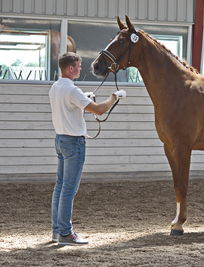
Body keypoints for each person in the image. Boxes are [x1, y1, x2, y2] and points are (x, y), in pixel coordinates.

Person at [49, 52, 126, 246]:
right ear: (70, 68)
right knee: (69, 189)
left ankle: (57, 231)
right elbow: (99, 109)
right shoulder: (72, 91)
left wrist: (85, 99)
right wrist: (114, 97)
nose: (80, 69)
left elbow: (71, 106)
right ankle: (66, 234)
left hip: (60, 139)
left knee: (60, 187)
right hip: (74, 142)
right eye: (78, 66)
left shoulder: (56, 87)